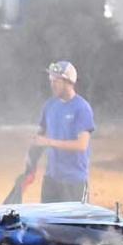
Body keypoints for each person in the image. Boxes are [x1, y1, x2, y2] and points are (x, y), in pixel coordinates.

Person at [32, 60, 95, 202]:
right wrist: (30, 161)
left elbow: (81, 145)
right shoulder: (49, 106)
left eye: (56, 80)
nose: (52, 84)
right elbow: (39, 136)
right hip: (51, 178)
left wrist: (49, 142)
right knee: (47, 221)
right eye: (51, 80)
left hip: (73, 180)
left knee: (74, 222)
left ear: (68, 82)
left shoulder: (81, 108)